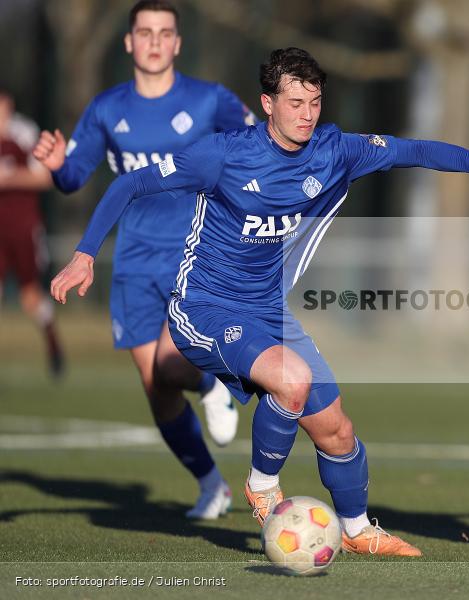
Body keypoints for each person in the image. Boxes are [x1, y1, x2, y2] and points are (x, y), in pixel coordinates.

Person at [50, 47, 469, 557]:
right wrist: (85, 254)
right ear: (267, 104)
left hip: (268, 310)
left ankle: (359, 531)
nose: (307, 114)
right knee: (291, 381)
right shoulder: (223, 154)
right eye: (295, 103)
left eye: (315, 102)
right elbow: (131, 182)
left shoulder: (334, 150)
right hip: (204, 307)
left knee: (337, 430)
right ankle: (260, 485)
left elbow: (413, 151)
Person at [32, 0, 253, 520]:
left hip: (197, 253)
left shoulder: (209, 100)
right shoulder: (107, 108)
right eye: (145, 32)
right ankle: (211, 485)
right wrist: (58, 164)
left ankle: (214, 383)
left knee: (171, 365)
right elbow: (73, 178)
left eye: (165, 33)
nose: (154, 41)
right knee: (155, 385)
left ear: (178, 43)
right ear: (128, 42)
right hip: (133, 259)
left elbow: (254, 147)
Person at [0, 90, 64, 377]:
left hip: (23, 226)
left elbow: (44, 177)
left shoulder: (25, 133)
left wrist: (10, 177)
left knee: (30, 295)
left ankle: (53, 347)